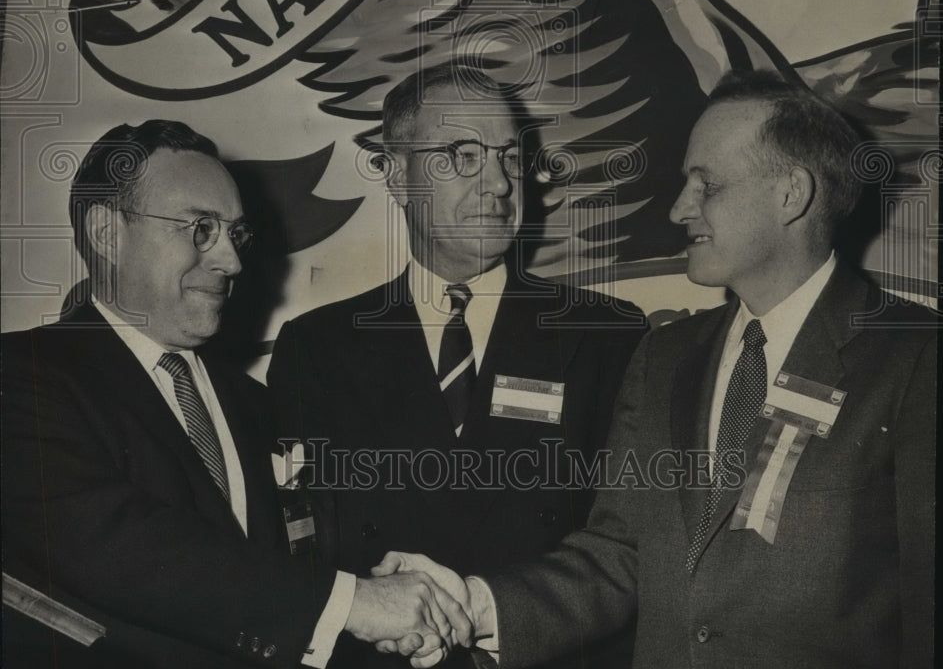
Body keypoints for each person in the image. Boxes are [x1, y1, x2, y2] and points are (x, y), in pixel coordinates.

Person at [382, 71, 936, 669]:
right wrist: (473, 602)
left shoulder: (915, 358)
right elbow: (619, 554)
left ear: (790, 194)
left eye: (707, 185)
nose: (678, 209)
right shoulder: (665, 357)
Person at [1, 120, 470, 669]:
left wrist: (396, 583)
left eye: (235, 233)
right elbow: (120, 548)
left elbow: (296, 554)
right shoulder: (22, 376)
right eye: (201, 228)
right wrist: (353, 603)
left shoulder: (252, 402)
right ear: (107, 233)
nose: (232, 261)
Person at [268, 61, 645, 668]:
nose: (498, 183)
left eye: (509, 156)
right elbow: (300, 537)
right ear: (397, 176)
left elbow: (629, 547)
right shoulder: (316, 346)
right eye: (462, 155)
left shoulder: (608, 336)